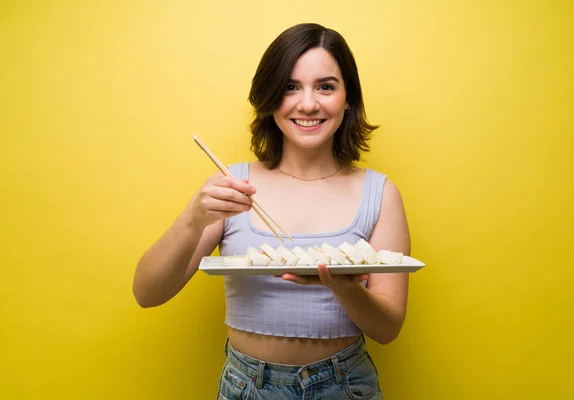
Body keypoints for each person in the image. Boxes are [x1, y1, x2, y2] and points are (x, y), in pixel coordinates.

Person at [133, 22, 411, 399]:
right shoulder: (232, 187)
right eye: (290, 87)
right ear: (269, 97)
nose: (308, 103)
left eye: (326, 86)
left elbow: (387, 329)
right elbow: (147, 293)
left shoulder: (381, 194)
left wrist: (343, 288)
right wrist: (192, 218)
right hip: (248, 387)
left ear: (348, 98)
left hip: (346, 386)